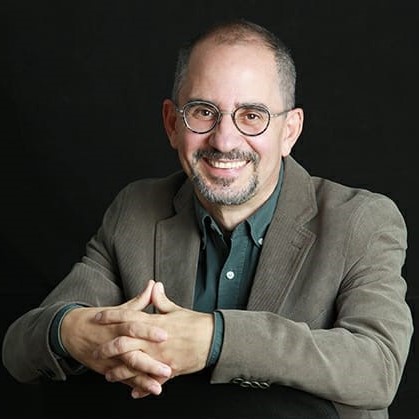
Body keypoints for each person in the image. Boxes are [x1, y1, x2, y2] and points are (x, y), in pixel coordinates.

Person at [2, 18, 413, 419]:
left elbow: (378, 367)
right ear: (171, 123)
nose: (224, 140)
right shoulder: (136, 209)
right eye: (203, 112)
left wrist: (215, 339)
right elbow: (20, 349)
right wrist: (71, 330)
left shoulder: (362, 221)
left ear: (289, 131)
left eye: (251, 115)